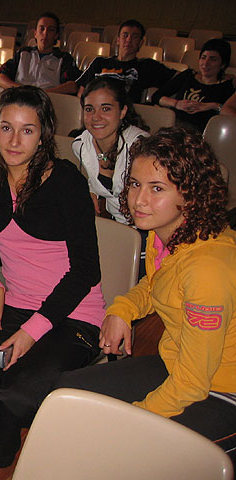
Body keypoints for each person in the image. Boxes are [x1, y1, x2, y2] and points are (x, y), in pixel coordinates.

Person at [57, 128, 236, 465]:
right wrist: (122, 309)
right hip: (179, 364)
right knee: (69, 393)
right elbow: (156, 286)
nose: (138, 200)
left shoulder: (207, 269)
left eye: (157, 189)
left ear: (192, 194)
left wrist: (135, 418)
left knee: (126, 450)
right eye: (136, 184)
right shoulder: (167, 233)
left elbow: (193, 383)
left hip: (223, 390)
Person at [0, 86, 106, 468]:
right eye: (6, 127)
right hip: (16, 307)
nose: (14, 140)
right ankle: (31, 385)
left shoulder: (66, 181)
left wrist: (33, 331)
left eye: (27, 130)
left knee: (14, 397)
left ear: (44, 134)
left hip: (73, 315)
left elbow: (87, 269)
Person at [73, 76, 149, 222]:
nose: (96, 117)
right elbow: (94, 176)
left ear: (122, 111)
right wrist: (91, 191)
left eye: (106, 109)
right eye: (89, 109)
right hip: (116, 225)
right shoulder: (82, 145)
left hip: (146, 226)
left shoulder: (142, 148)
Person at [76, 19, 176, 103]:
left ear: (141, 43)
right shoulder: (99, 62)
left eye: (135, 37)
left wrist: (170, 102)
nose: (129, 40)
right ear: (118, 40)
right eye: (125, 35)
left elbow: (178, 77)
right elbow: (82, 90)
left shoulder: (146, 66)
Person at [153, 39, 236, 132]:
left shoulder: (228, 86)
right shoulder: (188, 75)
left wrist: (213, 106)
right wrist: (176, 104)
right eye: (203, 57)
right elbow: (156, 96)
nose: (206, 63)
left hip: (203, 134)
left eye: (213, 59)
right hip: (174, 128)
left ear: (223, 64)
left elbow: (230, 115)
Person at [0, 12, 80, 94]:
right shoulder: (23, 53)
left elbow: (72, 86)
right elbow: (0, 78)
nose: (45, 33)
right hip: (19, 98)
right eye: (42, 28)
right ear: (35, 33)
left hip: (49, 100)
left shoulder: (64, 59)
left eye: (51, 30)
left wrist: (42, 94)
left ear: (56, 35)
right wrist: (22, 90)